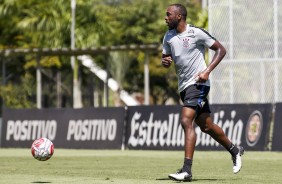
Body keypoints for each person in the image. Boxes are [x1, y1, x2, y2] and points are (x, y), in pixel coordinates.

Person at [161, 3, 244, 182]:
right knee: (206, 126)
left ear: (179, 17)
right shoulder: (168, 36)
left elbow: (221, 50)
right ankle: (235, 150)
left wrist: (207, 71)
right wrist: (165, 61)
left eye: (168, 15)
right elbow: (166, 57)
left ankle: (187, 171)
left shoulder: (196, 33)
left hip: (198, 84)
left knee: (186, 120)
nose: (165, 18)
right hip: (184, 87)